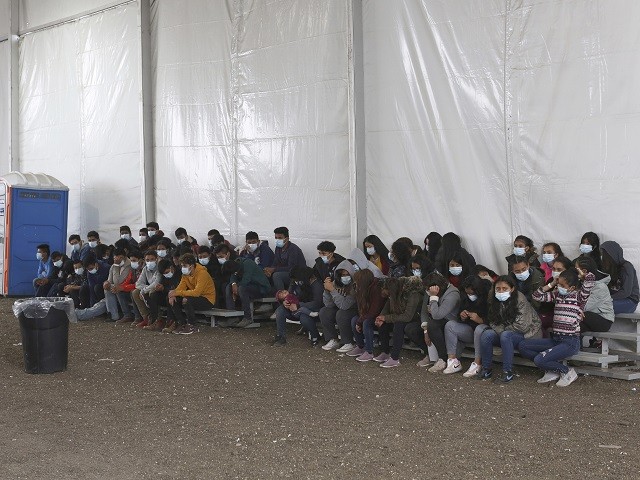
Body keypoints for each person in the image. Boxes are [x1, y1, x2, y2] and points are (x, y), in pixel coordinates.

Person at [519, 267, 595, 387]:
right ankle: (551, 369)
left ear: (572, 288)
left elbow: (590, 281)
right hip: (556, 339)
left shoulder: (578, 296)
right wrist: (552, 283)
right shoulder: (557, 295)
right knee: (523, 345)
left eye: (562, 285)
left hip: (570, 342)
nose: (559, 287)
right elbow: (536, 296)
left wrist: (582, 274)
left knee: (539, 360)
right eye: (559, 284)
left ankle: (567, 371)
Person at [477, 276, 542, 383]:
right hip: (506, 333)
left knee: (506, 335)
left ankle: (507, 373)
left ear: (512, 289)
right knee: (487, 334)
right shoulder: (493, 298)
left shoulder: (520, 299)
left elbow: (522, 326)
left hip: (528, 334)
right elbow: (492, 320)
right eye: (498, 289)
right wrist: (501, 330)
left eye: (504, 288)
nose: (501, 291)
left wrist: (502, 331)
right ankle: (486, 369)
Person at [442, 275, 492, 377]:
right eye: (467, 293)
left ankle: (477, 363)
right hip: (470, 330)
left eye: (472, 293)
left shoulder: (489, 297)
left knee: (479, 328)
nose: (469, 295)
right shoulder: (464, 296)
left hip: (485, 331)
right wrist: (462, 315)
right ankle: (453, 361)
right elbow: (460, 312)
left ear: (478, 290)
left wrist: (481, 320)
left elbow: (495, 320)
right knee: (450, 325)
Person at [371, 276, 424, 367]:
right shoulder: (393, 295)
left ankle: (395, 358)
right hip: (398, 317)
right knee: (383, 324)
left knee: (398, 325)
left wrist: (386, 318)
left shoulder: (413, 295)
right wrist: (380, 318)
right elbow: (386, 308)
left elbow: (407, 316)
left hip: (414, 319)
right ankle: (385, 352)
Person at [419, 272, 461, 372]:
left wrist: (433, 298)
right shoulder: (432, 291)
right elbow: (425, 311)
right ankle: (429, 354)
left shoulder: (452, 294)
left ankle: (443, 359)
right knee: (413, 328)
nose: (427, 292)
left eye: (428, 290)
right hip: (436, 320)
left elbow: (437, 315)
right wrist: (425, 330)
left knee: (433, 325)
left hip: (450, 322)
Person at [271, 266, 323, 347]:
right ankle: (281, 336)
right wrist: (286, 302)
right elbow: (290, 293)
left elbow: (317, 303)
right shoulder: (297, 282)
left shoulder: (316, 285)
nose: (295, 282)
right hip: (296, 309)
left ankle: (315, 337)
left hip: (312, 311)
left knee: (303, 317)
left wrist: (298, 306)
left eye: (296, 280)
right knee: (280, 310)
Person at [168, 253, 217, 335]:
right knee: (173, 299)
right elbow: (180, 288)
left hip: (207, 300)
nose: (182, 268)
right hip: (194, 298)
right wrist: (173, 295)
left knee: (186, 300)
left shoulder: (202, 273)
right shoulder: (185, 274)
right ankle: (182, 324)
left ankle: (192, 325)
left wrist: (177, 292)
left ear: (191, 265)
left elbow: (197, 292)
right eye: (181, 266)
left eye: (184, 265)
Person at [223, 254, 272, 328]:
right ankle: (232, 317)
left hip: (260, 288)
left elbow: (245, 281)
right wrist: (233, 284)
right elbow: (233, 277)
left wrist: (236, 288)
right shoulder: (235, 263)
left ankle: (247, 318)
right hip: (247, 287)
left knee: (242, 288)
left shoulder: (248, 264)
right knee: (228, 287)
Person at [319, 260, 358, 351]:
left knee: (341, 313)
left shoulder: (355, 285)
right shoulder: (336, 283)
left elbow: (345, 306)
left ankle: (348, 342)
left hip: (354, 309)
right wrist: (327, 290)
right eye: (342, 275)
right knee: (324, 311)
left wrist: (332, 290)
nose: (344, 277)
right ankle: (333, 339)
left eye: (346, 274)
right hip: (340, 308)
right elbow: (329, 304)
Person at [347, 269, 385, 359]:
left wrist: (360, 321)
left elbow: (374, 311)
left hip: (377, 316)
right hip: (366, 314)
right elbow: (360, 307)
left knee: (366, 323)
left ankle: (369, 351)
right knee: (353, 320)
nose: (356, 283)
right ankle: (360, 346)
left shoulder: (376, 289)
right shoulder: (361, 289)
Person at [575, 256, 614, 336]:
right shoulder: (581, 283)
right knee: (574, 326)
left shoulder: (600, 287)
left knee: (576, 315)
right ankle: (575, 347)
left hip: (603, 320)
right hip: (586, 316)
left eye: (576, 269)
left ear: (584, 271)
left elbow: (585, 306)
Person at [601, 241, 639, 314]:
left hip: (630, 301)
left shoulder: (626, 267)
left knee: (600, 307)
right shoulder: (611, 268)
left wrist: (607, 298)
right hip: (614, 300)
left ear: (611, 255)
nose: (603, 258)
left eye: (604, 255)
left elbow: (626, 292)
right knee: (594, 305)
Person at [264, 227, 307, 291]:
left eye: (280, 238)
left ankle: (282, 297)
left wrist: (274, 269)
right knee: (265, 273)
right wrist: (269, 270)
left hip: (297, 275)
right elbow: (275, 262)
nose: (277, 240)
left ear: (286, 239)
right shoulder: (278, 248)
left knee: (276, 275)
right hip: (285, 272)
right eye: (276, 238)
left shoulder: (293, 249)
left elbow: (291, 268)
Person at [131, 250, 163, 330]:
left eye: (152, 259)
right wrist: (146, 288)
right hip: (149, 288)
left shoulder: (159, 268)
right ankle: (146, 317)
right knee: (135, 292)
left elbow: (157, 282)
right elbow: (138, 284)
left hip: (160, 289)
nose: (149, 262)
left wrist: (144, 290)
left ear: (156, 259)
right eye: (147, 260)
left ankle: (158, 319)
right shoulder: (145, 268)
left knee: (151, 292)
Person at [103, 248, 135, 323]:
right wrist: (106, 283)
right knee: (107, 288)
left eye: (120, 257)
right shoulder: (114, 266)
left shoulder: (130, 265)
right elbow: (110, 280)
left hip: (129, 288)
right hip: (119, 287)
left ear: (124, 257)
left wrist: (117, 266)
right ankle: (113, 315)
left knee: (117, 288)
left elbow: (119, 281)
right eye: (115, 258)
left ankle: (127, 315)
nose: (118, 259)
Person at [157, 259, 182, 333]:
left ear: (171, 267)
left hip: (180, 295)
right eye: (164, 273)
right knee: (153, 295)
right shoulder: (164, 275)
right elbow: (163, 285)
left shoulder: (179, 273)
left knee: (169, 298)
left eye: (167, 272)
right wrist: (160, 288)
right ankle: (157, 319)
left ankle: (175, 322)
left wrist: (166, 289)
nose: (166, 274)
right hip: (169, 294)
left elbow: (179, 288)